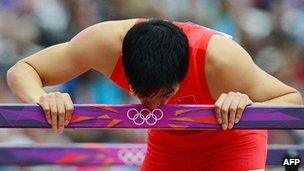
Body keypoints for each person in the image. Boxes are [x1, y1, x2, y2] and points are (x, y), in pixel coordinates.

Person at [7, 18, 302, 170]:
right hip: (167, 142)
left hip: (231, 143)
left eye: (166, 96)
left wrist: (249, 105)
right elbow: (24, 69)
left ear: (182, 75)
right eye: (141, 95)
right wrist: (42, 98)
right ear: (123, 65)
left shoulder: (221, 58)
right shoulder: (104, 43)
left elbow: (291, 99)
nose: (153, 105)